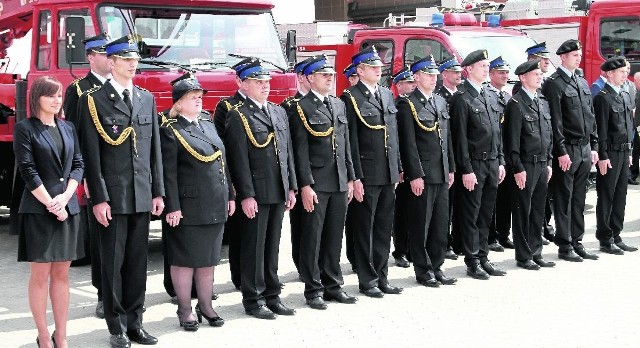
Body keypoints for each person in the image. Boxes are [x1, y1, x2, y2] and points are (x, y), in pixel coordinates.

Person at [78, 35, 165, 348]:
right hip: (112, 198)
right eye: (125, 59)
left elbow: (154, 150)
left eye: (135, 59)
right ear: (111, 63)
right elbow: (90, 155)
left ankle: (135, 323)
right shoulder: (93, 100)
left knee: (137, 265)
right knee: (112, 264)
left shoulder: (146, 98)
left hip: (142, 195)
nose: (132, 64)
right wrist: (98, 198)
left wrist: (158, 192)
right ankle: (116, 327)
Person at [159, 73, 235, 331]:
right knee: (184, 260)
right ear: (178, 103)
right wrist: (172, 206)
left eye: (200, 97)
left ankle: (206, 305)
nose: (198, 102)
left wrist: (231, 195)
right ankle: (184, 309)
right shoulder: (171, 129)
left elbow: (222, 161)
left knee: (208, 259)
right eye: (192, 98)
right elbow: (167, 172)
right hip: (187, 206)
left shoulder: (207, 123)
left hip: (214, 201)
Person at [224, 58, 297, 320]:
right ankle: (253, 299)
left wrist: (291, 187)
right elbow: (237, 158)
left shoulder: (277, 112)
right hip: (256, 191)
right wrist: (246, 195)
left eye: (266, 82)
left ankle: (272, 294)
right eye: (258, 82)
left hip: (278, 189)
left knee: (272, 246)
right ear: (243, 84)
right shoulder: (238, 114)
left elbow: (286, 153)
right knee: (254, 247)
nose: (264, 86)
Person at [15, 76, 84, 348]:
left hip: (67, 208)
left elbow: (78, 164)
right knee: (40, 275)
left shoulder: (68, 128)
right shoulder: (25, 128)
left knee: (62, 275)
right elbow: (27, 170)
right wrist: (51, 203)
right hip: (38, 209)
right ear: (37, 98)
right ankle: (44, 336)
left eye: (60, 95)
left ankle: (62, 336)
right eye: (51, 95)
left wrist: (66, 198)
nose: (57, 100)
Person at [288, 55, 357, 310]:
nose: (329, 78)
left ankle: (333, 285)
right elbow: (300, 151)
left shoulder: (338, 105)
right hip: (317, 184)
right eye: (323, 75)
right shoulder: (300, 107)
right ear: (310, 78)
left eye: (331, 75)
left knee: (333, 237)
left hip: (338, 181)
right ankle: (313, 288)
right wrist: (305, 185)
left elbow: (345, 145)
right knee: (312, 238)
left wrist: (350, 177)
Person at [341, 46, 403, 298]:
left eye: (380, 67)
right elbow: (350, 141)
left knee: (383, 228)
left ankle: (382, 276)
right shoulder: (351, 97)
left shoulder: (387, 95)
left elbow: (393, 135)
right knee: (364, 228)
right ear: (361, 70)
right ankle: (367, 280)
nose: (379, 70)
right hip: (366, 174)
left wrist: (397, 167)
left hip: (387, 172)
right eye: (373, 67)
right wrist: (354, 177)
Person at [396, 56, 457, 287]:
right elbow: (409, 144)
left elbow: (446, 139)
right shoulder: (407, 103)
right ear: (417, 77)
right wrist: (415, 174)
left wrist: (450, 167)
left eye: (435, 75)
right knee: (421, 224)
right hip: (423, 174)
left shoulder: (440, 102)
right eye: (428, 75)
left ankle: (437, 265)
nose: (434, 79)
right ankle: (423, 270)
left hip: (441, 172)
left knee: (440, 224)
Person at [62, 32, 111, 319]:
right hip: (95, 172)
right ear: (91, 57)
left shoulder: (124, 87)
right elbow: (74, 136)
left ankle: (125, 295)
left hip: (126, 174)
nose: (110, 59)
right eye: (104, 54)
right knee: (102, 239)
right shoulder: (78, 90)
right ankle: (104, 296)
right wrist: (81, 176)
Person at [450, 49, 507, 280]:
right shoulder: (461, 98)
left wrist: (501, 160)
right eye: (482, 66)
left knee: (486, 214)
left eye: (486, 66)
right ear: (469, 69)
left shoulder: (490, 95)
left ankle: (483, 256)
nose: (486, 69)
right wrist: (466, 169)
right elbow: (459, 139)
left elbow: (497, 132)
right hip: (474, 164)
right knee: (471, 215)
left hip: (492, 163)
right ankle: (472, 260)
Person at [542, 39, 599, 262]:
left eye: (579, 54)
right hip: (567, 149)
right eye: (574, 54)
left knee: (579, 197)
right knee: (563, 198)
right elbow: (555, 122)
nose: (578, 57)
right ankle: (565, 245)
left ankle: (577, 240)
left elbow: (590, 117)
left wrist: (594, 146)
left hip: (584, 148)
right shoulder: (555, 84)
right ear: (563, 57)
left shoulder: (582, 82)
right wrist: (561, 151)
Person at [503, 60, 556, 270]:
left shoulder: (542, 101)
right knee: (522, 209)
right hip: (525, 165)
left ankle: (536, 251)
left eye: (539, 74)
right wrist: (517, 168)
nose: (539, 76)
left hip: (543, 163)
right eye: (534, 74)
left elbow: (548, 134)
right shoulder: (516, 104)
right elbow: (512, 141)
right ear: (523, 77)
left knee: (537, 211)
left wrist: (550, 161)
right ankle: (524, 255)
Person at [212, 57, 251, 291]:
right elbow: (223, 145)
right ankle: (239, 275)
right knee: (239, 232)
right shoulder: (227, 107)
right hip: (237, 176)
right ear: (240, 81)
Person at [594, 56, 638, 254]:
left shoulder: (625, 94)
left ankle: (616, 234)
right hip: (609, 152)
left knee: (620, 194)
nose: (624, 75)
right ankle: (605, 238)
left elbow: (629, 125)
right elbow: (601, 131)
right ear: (609, 74)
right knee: (607, 195)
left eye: (624, 72)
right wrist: (602, 156)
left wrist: (629, 151)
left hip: (623, 151)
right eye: (620, 72)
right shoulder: (602, 97)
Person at [282, 56, 315, 276]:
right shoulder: (291, 106)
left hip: (327, 175)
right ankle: (304, 267)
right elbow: (293, 149)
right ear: (301, 77)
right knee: (304, 226)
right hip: (305, 174)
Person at [486, 56, 515, 252]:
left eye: (506, 72)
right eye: (501, 72)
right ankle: (490, 237)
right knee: (492, 199)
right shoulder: (487, 94)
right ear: (491, 74)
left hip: (506, 153)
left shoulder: (507, 97)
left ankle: (503, 233)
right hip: (492, 152)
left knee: (506, 197)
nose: (505, 75)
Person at [435, 57, 463, 260]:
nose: (458, 75)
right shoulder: (440, 97)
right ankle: (444, 242)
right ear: (444, 75)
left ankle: (457, 239)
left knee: (457, 204)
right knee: (445, 206)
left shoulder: (461, 96)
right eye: (454, 72)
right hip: (443, 157)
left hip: (457, 156)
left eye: (459, 71)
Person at [390, 66, 415, 269]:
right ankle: (400, 251)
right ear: (398, 85)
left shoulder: (414, 105)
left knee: (414, 211)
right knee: (403, 211)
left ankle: (412, 248)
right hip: (403, 166)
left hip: (414, 166)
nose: (412, 85)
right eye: (408, 82)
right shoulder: (398, 106)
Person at [630, 71, 640, 185]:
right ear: (636, 80)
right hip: (635, 126)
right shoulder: (633, 92)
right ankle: (633, 174)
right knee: (635, 150)